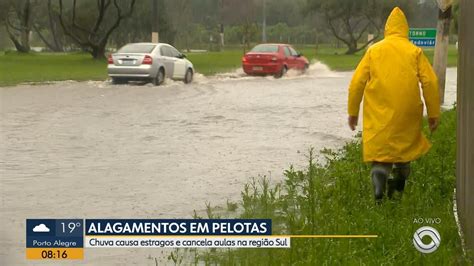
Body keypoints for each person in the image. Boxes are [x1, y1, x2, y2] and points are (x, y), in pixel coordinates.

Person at [347, 7, 440, 202]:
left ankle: (380, 173)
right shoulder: (415, 52)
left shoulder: (373, 51)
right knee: (404, 151)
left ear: (387, 29)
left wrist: (353, 113)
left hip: (378, 113)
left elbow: (357, 83)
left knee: (381, 153)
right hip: (407, 114)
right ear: (405, 29)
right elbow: (430, 83)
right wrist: (434, 115)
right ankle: (398, 186)